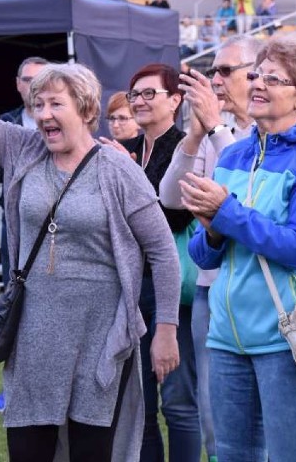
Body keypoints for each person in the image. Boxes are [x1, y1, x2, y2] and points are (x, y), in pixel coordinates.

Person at [0, 2, 181, 462]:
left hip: (100, 339)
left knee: (92, 453)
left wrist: (166, 329)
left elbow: (163, 252)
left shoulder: (117, 169)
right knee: (28, 449)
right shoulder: (22, 148)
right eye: (37, 105)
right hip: (33, 337)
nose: (43, 114)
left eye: (55, 104)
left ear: (86, 109)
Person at [182, 35, 296, 462]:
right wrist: (214, 230)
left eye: (274, 78)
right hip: (227, 338)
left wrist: (227, 214)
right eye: (256, 74)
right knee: (231, 454)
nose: (258, 84)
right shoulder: (234, 155)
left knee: (292, 455)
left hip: (290, 337)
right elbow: (203, 255)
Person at [158, 35, 261, 462]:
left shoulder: (268, 128)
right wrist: (195, 136)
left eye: (224, 71)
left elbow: (249, 196)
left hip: (257, 285)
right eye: (212, 71)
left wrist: (215, 129)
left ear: (255, 74)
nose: (214, 80)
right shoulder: (215, 131)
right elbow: (171, 196)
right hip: (210, 286)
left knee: (262, 414)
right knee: (213, 412)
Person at [111, 64, 200, 462]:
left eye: (150, 94)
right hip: (131, 287)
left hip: (172, 289)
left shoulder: (186, 146)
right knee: (140, 406)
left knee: (179, 401)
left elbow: (176, 216)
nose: (140, 102)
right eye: (135, 95)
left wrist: (128, 173)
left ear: (176, 100)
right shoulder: (130, 150)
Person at [0, 55, 50, 414]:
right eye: (27, 79)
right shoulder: (7, 122)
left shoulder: (65, 117)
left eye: (41, 78)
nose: (34, 85)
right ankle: (11, 389)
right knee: (14, 308)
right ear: (18, 83)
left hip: (59, 231)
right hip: (18, 233)